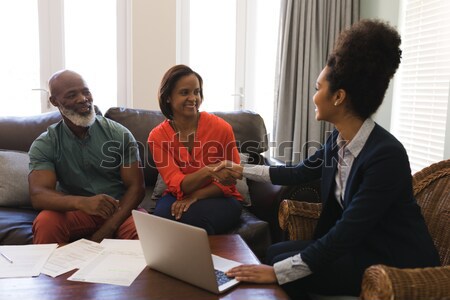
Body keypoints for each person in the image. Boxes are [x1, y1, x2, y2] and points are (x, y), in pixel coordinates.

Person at [216, 19, 440, 298]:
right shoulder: (339, 140)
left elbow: (348, 230)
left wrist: (279, 273)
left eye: (317, 87)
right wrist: (241, 170)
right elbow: (297, 173)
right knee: (274, 252)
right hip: (360, 246)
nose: (313, 96)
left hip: (392, 262)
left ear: (339, 97)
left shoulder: (386, 156)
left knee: (282, 271)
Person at [29, 70, 146, 244]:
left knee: (144, 231)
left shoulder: (119, 134)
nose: (83, 98)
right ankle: (54, 272)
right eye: (71, 94)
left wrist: (109, 227)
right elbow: (38, 195)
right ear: (54, 101)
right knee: (46, 222)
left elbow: (137, 188)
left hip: (120, 209)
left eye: (86, 92)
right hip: (76, 211)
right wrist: (82, 203)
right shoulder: (46, 143)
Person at [148, 64, 243, 234]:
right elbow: (178, 184)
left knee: (195, 219)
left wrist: (197, 196)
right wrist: (209, 171)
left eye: (196, 92)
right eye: (185, 92)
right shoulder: (157, 137)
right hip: (177, 195)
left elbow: (232, 178)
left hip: (219, 197)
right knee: (162, 220)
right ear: (168, 97)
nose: (193, 98)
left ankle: (207, 260)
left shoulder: (222, 128)